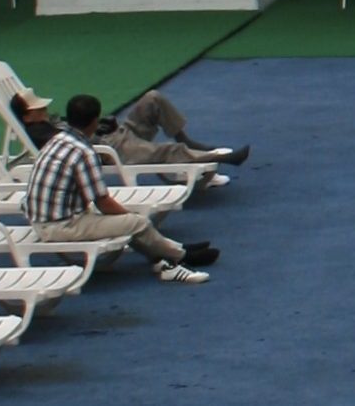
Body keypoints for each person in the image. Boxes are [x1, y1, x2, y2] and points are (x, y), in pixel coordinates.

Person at [26, 95, 215, 283]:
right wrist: (132, 218)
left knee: (127, 222)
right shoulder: (83, 151)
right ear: (94, 121)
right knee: (135, 222)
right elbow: (103, 202)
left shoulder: (58, 139)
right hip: (60, 226)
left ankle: (170, 251)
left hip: (44, 219)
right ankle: (180, 256)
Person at [14, 91, 246, 169]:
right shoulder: (40, 133)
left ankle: (186, 138)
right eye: (38, 108)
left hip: (114, 137)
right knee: (167, 151)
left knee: (152, 99)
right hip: (111, 151)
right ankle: (218, 158)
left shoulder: (47, 123)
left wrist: (102, 124)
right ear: (27, 116)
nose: (44, 107)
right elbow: (74, 145)